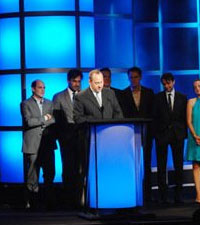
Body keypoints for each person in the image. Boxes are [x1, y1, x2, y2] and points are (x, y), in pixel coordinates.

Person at [73, 69, 123, 207]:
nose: (100, 85)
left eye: (101, 82)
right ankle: (88, 200)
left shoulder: (110, 93)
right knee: (88, 170)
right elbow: (77, 118)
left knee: (109, 169)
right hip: (90, 140)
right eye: (97, 83)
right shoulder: (80, 96)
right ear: (89, 82)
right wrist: (95, 121)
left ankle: (110, 196)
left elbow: (118, 113)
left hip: (109, 141)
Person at [21, 80, 56, 209]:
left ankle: (49, 202)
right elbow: (29, 122)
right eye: (40, 87)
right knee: (33, 174)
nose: (43, 90)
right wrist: (44, 119)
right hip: (33, 144)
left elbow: (53, 119)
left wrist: (44, 121)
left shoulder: (49, 103)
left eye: (44, 88)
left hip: (47, 143)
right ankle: (32, 202)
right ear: (33, 89)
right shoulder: (25, 104)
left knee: (50, 173)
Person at [121, 66, 155, 202]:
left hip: (146, 132)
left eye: (135, 77)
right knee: (130, 163)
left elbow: (153, 113)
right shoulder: (123, 94)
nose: (133, 80)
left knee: (146, 163)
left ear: (140, 77)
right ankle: (131, 192)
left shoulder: (149, 92)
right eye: (131, 77)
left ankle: (147, 194)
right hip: (129, 134)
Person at [153, 73, 187, 204]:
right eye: (164, 84)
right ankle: (163, 196)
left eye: (168, 83)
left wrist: (184, 133)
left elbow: (185, 118)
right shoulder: (157, 98)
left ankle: (179, 195)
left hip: (177, 135)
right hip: (162, 135)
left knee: (179, 165)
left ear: (173, 82)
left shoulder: (182, 98)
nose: (166, 86)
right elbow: (154, 118)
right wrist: (157, 134)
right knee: (161, 166)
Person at [53, 69, 83, 208]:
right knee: (67, 168)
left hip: (82, 134)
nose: (77, 84)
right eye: (74, 81)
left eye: (78, 81)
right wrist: (62, 137)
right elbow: (57, 120)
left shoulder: (85, 95)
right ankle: (68, 200)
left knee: (81, 168)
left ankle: (80, 200)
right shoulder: (59, 96)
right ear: (68, 81)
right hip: (67, 136)